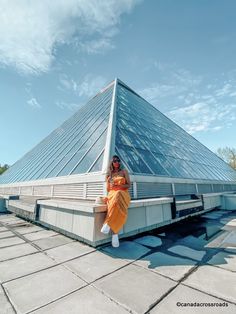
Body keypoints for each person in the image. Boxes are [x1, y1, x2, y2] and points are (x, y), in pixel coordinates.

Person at [100, 155, 131, 247]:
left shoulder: (124, 171)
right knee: (115, 204)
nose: (117, 162)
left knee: (118, 195)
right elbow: (109, 189)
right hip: (112, 193)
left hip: (123, 193)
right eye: (114, 161)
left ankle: (108, 223)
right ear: (112, 163)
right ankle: (115, 235)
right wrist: (109, 181)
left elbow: (128, 185)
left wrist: (118, 187)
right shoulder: (110, 174)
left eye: (118, 160)